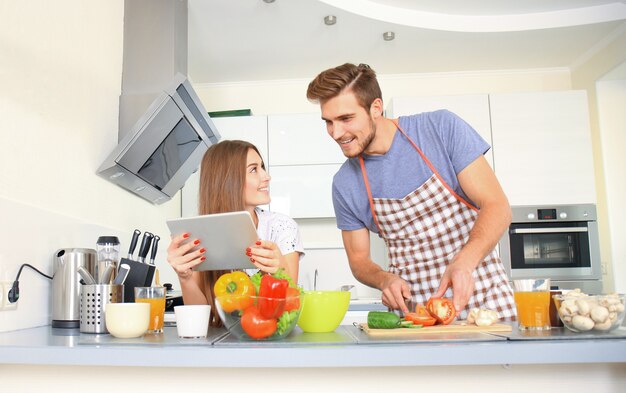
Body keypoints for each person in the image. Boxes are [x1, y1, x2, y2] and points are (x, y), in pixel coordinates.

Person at [306, 63, 516, 321]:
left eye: (346, 119)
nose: (336, 133)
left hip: (487, 303)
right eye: (328, 122)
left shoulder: (439, 129)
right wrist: (384, 279)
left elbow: (496, 205)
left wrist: (464, 262)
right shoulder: (345, 183)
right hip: (416, 316)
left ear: (376, 108)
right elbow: (359, 260)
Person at [167, 140, 305, 326]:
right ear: (228, 179)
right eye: (254, 169)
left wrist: (280, 269)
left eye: (262, 167)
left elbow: (288, 309)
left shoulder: (282, 227)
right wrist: (185, 278)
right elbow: (202, 320)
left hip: (270, 341)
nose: (267, 176)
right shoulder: (199, 232)